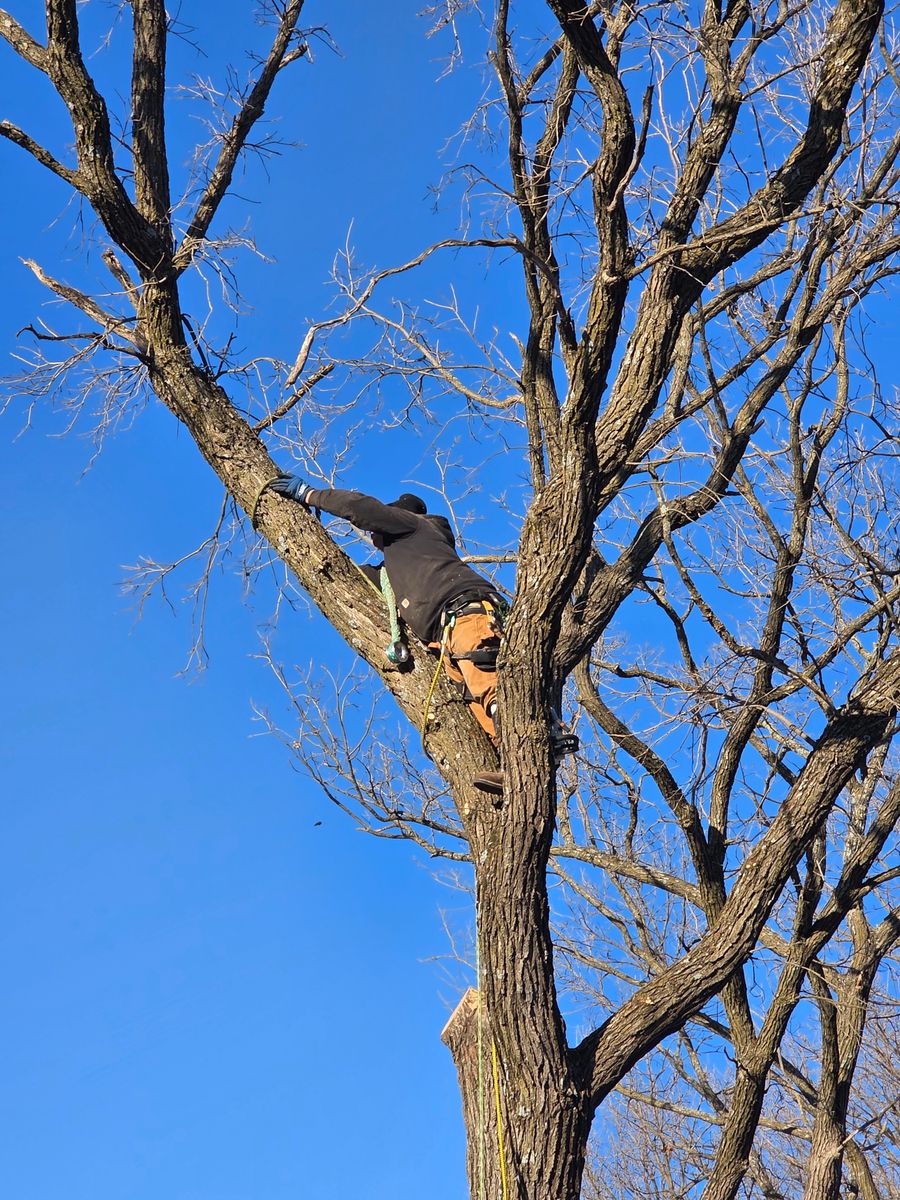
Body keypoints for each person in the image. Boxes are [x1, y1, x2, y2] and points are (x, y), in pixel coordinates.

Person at [268, 474, 506, 794]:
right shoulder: (405, 565)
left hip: (466, 615)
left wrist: (309, 494)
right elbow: (357, 577)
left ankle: (529, 744)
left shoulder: (415, 526)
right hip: (448, 637)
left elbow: (359, 506)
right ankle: (511, 768)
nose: (372, 534)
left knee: (493, 694)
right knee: (480, 706)